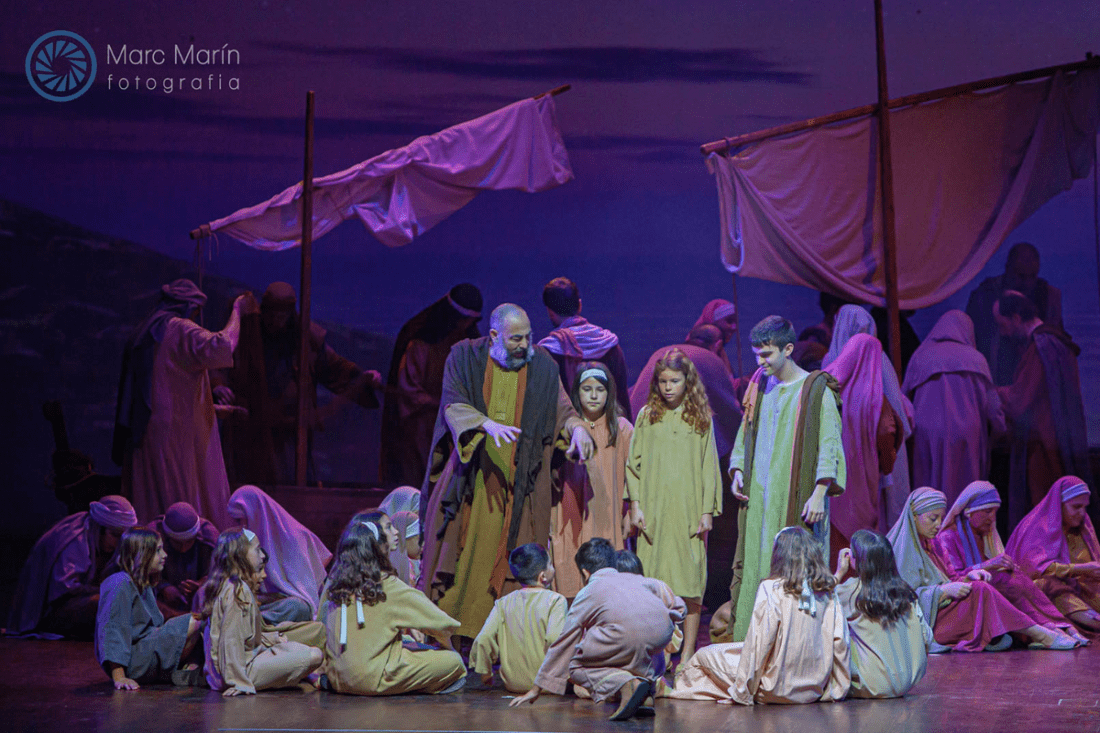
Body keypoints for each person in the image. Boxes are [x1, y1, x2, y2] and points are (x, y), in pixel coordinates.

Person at [419, 303, 594, 640]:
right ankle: (453, 635)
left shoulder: (542, 365)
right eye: (516, 339)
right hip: (473, 480)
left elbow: (563, 410)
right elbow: (453, 402)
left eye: (528, 337)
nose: (524, 345)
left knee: (517, 561)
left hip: (522, 483)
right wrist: (484, 423)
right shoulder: (465, 357)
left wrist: (578, 429)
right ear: (494, 335)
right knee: (463, 558)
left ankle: (508, 641)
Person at [725, 316, 845, 643]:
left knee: (795, 570)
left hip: (796, 496)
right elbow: (746, 431)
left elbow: (830, 442)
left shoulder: (815, 389)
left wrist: (820, 491)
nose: (760, 362)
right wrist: (738, 470)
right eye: (756, 355)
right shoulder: (760, 386)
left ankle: (795, 645)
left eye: (767, 354)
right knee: (757, 566)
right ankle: (754, 644)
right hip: (760, 499)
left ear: (788, 349)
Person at [215, 281, 382, 486]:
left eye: (282, 315)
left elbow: (334, 367)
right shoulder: (248, 334)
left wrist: (363, 378)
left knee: (290, 481)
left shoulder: (304, 338)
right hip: (252, 431)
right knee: (251, 483)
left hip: (289, 433)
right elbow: (220, 360)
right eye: (272, 314)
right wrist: (218, 384)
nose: (276, 321)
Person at [113, 279, 250, 528]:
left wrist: (213, 410)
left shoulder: (146, 331)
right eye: (196, 312)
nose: (196, 318)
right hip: (172, 437)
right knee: (175, 499)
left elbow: (162, 389)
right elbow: (222, 345)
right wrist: (237, 311)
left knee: (150, 499)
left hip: (146, 432)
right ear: (189, 307)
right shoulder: (177, 328)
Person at [510, 538, 686, 721]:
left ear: (585, 573)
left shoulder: (589, 591)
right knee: (635, 647)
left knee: (575, 665)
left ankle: (627, 685)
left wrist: (537, 687)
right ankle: (646, 696)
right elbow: (680, 607)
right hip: (660, 638)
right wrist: (670, 619)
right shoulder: (641, 580)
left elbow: (565, 640)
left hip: (625, 638)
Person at [671, 526, 850, 705]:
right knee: (732, 651)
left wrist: (742, 693)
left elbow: (760, 644)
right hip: (812, 690)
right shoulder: (827, 593)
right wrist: (837, 690)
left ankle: (676, 690)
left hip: (775, 688)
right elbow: (840, 643)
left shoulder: (772, 589)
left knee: (703, 657)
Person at [887, 487, 1077, 652]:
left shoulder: (934, 544)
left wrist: (967, 577)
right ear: (913, 517)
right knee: (982, 589)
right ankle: (1041, 634)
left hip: (945, 609)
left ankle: (1048, 627)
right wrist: (942, 591)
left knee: (999, 580)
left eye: (941, 518)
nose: (938, 525)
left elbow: (952, 577)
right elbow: (902, 601)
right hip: (927, 622)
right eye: (932, 518)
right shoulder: (902, 550)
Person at [626, 348, 722, 663]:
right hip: (654, 510)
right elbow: (633, 465)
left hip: (688, 511)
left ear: (687, 381)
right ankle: (659, 654)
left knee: (691, 583)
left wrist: (707, 510)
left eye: (675, 381)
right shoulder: (647, 415)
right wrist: (635, 505)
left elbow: (709, 467)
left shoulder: (700, 418)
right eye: (663, 381)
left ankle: (689, 652)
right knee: (654, 583)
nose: (668, 388)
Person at [318, 518, 466, 695]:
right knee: (453, 661)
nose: (396, 532)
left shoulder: (339, 582)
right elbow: (442, 624)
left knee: (408, 642)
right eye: (389, 527)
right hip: (371, 679)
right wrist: (447, 648)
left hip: (337, 678)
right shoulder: (386, 584)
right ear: (377, 542)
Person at [937, 482, 1084, 643]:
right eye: (987, 511)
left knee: (1017, 576)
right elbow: (952, 579)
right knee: (1004, 579)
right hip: (963, 597)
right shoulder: (948, 537)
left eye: (995, 512)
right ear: (969, 512)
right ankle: (1046, 630)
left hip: (988, 589)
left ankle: (1059, 625)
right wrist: (988, 565)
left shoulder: (984, 535)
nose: (992, 518)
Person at [995, 291, 1093, 528]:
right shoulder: (1057, 344)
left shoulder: (1041, 346)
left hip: (1044, 445)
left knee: (1047, 515)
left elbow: (1019, 401)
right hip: (1060, 440)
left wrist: (994, 392)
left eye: (1003, 324)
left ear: (1016, 317)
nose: (1003, 332)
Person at [380, 284, 484, 487]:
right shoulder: (421, 344)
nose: (466, 325)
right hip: (423, 430)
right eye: (463, 320)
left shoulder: (470, 346)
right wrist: (439, 403)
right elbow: (410, 392)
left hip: (458, 431)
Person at [201, 529, 324, 696]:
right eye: (257, 549)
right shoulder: (237, 590)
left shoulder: (233, 585)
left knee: (299, 645)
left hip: (243, 663)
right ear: (241, 554)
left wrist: (274, 639)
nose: (262, 555)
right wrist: (238, 682)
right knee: (315, 655)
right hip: (241, 671)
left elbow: (244, 637)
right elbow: (231, 640)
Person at [902, 311, 1006, 505]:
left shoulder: (922, 356)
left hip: (928, 433)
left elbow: (904, 398)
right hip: (967, 434)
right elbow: (992, 406)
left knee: (930, 485)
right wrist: (1000, 428)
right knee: (965, 489)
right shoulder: (976, 359)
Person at [824, 305, 913, 528]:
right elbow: (896, 413)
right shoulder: (875, 356)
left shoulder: (834, 363)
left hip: (852, 451)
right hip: (865, 449)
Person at [551, 362, 633, 598]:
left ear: (609, 393)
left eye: (600, 389)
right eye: (587, 389)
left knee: (606, 578)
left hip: (606, 512)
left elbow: (634, 474)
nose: (594, 396)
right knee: (568, 565)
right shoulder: (567, 428)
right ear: (576, 392)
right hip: (570, 512)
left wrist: (630, 512)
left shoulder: (621, 428)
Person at [7, 495, 138, 638]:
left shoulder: (104, 542)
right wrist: (103, 589)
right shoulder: (76, 540)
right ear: (100, 528)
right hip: (51, 612)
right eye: (115, 535)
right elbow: (64, 589)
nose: (119, 543)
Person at [94, 528, 203, 690]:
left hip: (145, 650)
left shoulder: (143, 583)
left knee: (201, 624)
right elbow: (113, 630)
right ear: (141, 554)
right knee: (193, 622)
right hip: (133, 661)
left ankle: (189, 671)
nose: (164, 555)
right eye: (158, 550)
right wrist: (119, 676)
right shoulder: (120, 583)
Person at [833, 530, 930, 699]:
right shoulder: (904, 591)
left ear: (857, 560)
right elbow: (927, 637)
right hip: (907, 682)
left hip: (871, 684)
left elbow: (821, 601)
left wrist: (839, 573)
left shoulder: (852, 590)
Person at [1005, 476, 1100, 635]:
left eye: (1085, 507)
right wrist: (1083, 569)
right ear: (1059, 505)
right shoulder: (1037, 527)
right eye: (1076, 506)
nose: (1082, 513)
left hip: (1080, 588)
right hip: (1045, 592)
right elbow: (1036, 570)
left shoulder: (1081, 529)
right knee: (1049, 585)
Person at [629, 327, 742, 459]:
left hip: (642, 436)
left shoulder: (661, 352)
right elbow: (728, 409)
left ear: (688, 336)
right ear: (718, 345)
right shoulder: (708, 358)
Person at [226, 485, 332, 623]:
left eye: (240, 520)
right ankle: (246, 619)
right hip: (265, 600)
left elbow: (308, 586)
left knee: (298, 607)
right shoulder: (248, 539)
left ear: (254, 513)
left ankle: (248, 621)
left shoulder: (293, 536)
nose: (241, 526)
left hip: (289, 602)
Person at [470, 543, 567, 693]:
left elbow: (484, 638)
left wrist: (486, 672)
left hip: (513, 685)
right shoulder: (556, 601)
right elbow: (555, 639)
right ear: (542, 576)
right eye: (550, 564)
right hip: (547, 685)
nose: (552, 567)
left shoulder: (503, 603)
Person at [967, 242, 1064, 386]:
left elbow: (1058, 350)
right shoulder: (984, 296)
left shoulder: (1049, 298)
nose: (1027, 283)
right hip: (992, 384)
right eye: (1021, 276)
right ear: (1008, 269)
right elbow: (969, 344)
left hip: (1033, 387)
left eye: (1032, 276)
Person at [538, 277, 632, 419]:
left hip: (566, 431)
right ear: (580, 305)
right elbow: (622, 402)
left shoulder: (546, 353)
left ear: (550, 312)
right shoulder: (609, 345)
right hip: (609, 428)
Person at [146, 502, 219, 618]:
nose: (183, 549)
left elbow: (219, 574)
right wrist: (162, 586)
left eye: (189, 541)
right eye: (177, 543)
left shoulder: (209, 540)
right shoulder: (152, 537)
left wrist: (202, 583)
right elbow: (141, 577)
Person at [687, 299, 738, 374]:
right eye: (729, 321)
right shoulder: (693, 353)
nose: (734, 327)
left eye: (736, 322)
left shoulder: (720, 351)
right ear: (713, 322)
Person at [388, 510, 422, 588]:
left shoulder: (413, 564)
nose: (423, 545)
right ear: (404, 539)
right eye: (419, 540)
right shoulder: (393, 569)